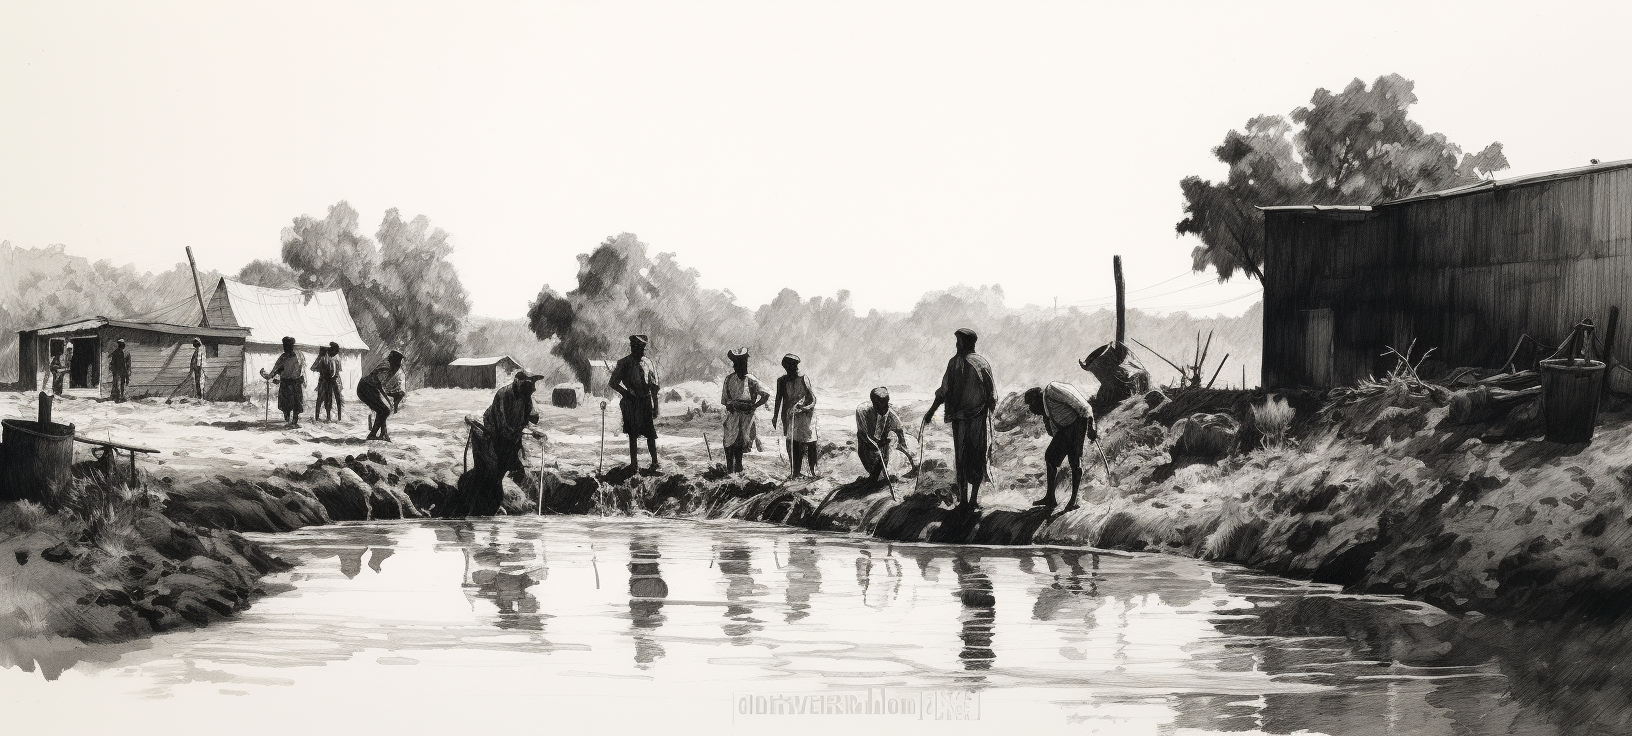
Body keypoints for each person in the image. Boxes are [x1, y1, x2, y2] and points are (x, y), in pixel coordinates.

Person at [922, 327, 996, 508]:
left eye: (958, 341)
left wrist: (931, 412)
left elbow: (942, 392)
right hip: (971, 419)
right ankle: (969, 500)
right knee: (973, 456)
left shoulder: (964, 363)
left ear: (964, 343)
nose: (956, 345)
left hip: (968, 419)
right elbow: (992, 395)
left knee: (965, 457)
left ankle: (967, 500)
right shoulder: (975, 363)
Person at [464, 370, 547, 515]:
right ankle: (489, 500)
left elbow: (530, 418)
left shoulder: (526, 396)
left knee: (513, 468)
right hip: (495, 431)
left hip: (512, 434)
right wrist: (521, 432)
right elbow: (503, 425)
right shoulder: (504, 394)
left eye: (533, 383)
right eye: (529, 383)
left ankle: (512, 501)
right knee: (498, 467)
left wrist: (534, 430)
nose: (532, 388)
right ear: (518, 381)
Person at [1023, 382, 1098, 511]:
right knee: (1050, 457)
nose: (1032, 410)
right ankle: (1050, 498)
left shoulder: (1053, 390)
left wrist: (1091, 427)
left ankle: (1073, 501)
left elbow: (1085, 407)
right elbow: (1053, 431)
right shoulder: (1046, 408)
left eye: (1031, 404)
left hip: (1078, 423)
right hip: (1066, 429)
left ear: (1037, 399)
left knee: (1075, 462)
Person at [609, 335, 661, 473]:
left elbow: (654, 386)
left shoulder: (648, 363)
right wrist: (626, 394)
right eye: (635, 347)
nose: (639, 350)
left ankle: (655, 462)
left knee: (650, 433)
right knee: (632, 434)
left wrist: (656, 406)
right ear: (632, 347)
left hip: (645, 402)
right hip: (631, 403)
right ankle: (634, 465)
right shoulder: (624, 363)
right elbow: (613, 382)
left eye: (641, 348)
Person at [720, 348, 769, 474]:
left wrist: (754, 406)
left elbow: (765, 395)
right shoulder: (729, 379)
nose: (738, 366)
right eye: (736, 364)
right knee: (729, 444)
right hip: (732, 417)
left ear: (745, 364)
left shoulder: (752, 380)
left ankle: (738, 471)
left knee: (739, 446)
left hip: (746, 419)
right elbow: (725, 401)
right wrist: (732, 406)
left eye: (741, 363)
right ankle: (730, 472)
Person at [771, 353, 819, 478]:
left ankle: (814, 471)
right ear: (786, 367)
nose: (793, 369)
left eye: (794, 366)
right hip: (790, 416)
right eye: (789, 367)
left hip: (806, 416)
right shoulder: (781, 381)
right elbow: (778, 399)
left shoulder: (803, 378)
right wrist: (775, 416)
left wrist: (804, 408)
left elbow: (813, 399)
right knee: (792, 443)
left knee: (810, 442)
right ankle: (795, 472)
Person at [855, 386, 914, 484]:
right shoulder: (862, 410)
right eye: (879, 404)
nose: (883, 407)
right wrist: (875, 447)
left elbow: (902, 442)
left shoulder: (892, 417)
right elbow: (863, 435)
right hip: (866, 443)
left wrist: (912, 463)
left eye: (885, 403)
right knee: (872, 464)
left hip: (882, 442)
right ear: (873, 402)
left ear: (888, 400)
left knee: (883, 462)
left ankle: (878, 475)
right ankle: (874, 476)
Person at [358, 349, 407, 441]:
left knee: (383, 410)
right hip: (365, 388)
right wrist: (387, 399)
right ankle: (373, 434)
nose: (399, 364)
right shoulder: (386, 367)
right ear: (393, 359)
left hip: (369, 387)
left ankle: (383, 433)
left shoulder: (390, 365)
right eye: (398, 360)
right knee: (385, 411)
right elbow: (378, 384)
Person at [259, 336, 306, 427]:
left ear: (291, 346)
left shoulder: (290, 356)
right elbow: (277, 371)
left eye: (286, 346)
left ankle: (291, 421)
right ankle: (291, 421)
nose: (284, 348)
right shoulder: (297, 355)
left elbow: (274, 372)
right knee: (290, 403)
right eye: (284, 346)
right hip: (291, 383)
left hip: (290, 383)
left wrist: (266, 375)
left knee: (291, 403)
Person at [311, 341, 343, 422]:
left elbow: (338, 370)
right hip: (324, 380)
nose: (335, 353)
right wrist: (319, 356)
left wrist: (338, 382)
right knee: (321, 399)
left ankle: (338, 418)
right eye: (334, 351)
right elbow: (313, 368)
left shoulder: (337, 357)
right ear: (330, 350)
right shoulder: (323, 357)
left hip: (334, 380)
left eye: (337, 352)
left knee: (338, 399)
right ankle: (317, 418)